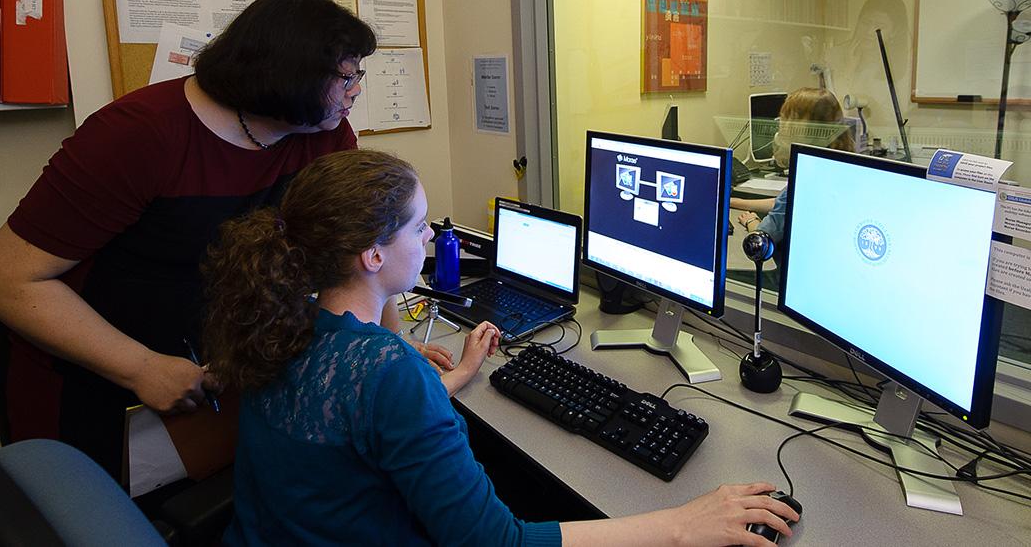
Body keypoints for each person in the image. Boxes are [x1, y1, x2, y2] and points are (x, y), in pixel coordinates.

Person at [0, 0, 453, 478]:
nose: (356, 91)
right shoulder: (137, 136)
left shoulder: (323, 132)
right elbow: (1, 278)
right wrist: (138, 366)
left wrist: (392, 350)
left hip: (210, 366)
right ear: (289, 74)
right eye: (346, 77)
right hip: (88, 371)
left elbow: (367, 242)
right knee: (90, 517)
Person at [202, 149, 800, 546]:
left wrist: (451, 380)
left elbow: (349, 426)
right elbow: (499, 543)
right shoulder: (386, 372)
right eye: (420, 226)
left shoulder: (284, 321)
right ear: (373, 255)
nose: (434, 236)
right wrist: (684, 524)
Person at [733, 88, 856, 243]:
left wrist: (751, 222)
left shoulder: (807, 179)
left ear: (811, 129)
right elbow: (781, 203)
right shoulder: (833, 165)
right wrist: (733, 202)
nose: (781, 126)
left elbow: (762, 239)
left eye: (786, 119)